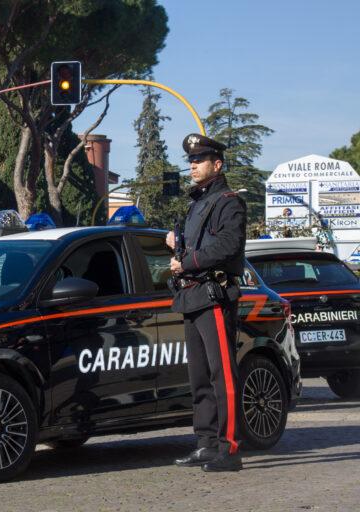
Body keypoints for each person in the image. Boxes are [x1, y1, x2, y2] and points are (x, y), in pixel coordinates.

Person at [165, 133, 247, 472]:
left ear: (218, 164)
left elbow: (228, 246)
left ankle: (229, 448)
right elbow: (197, 246)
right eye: (190, 161)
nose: (192, 165)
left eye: (199, 160)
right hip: (192, 295)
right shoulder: (196, 203)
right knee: (198, 376)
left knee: (221, 375)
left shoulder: (229, 202)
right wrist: (177, 246)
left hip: (214, 294)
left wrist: (188, 262)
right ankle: (206, 443)